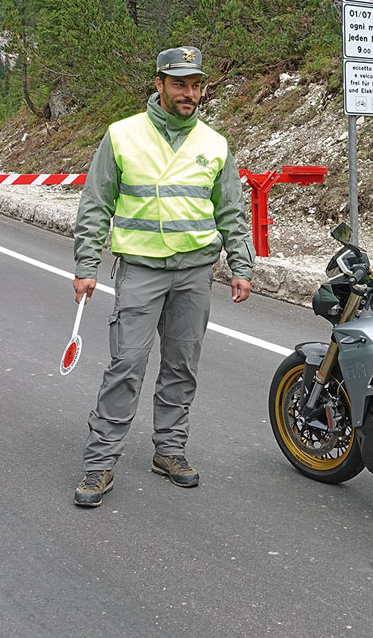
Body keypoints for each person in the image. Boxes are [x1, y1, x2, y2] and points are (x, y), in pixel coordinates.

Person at [72, 46, 255, 507]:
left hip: (195, 273)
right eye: (179, 84)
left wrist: (241, 265)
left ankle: (169, 451)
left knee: (181, 365)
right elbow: (95, 204)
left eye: (195, 85)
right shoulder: (122, 135)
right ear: (159, 84)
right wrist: (86, 266)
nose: (188, 93)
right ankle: (100, 463)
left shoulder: (214, 143)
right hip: (141, 270)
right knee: (126, 365)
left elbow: (231, 211)